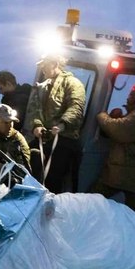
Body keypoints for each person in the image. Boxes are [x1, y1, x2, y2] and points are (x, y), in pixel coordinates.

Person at [92, 80, 135, 212]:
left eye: (133, 94)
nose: (129, 97)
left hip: (134, 179)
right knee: (94, 200)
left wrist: (102, 115)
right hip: (128, 176)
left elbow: (118, 130)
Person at [25, 55, 85, 193]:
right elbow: (35, 108)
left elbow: (76, 106)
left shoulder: (73, 83)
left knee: (54, 179)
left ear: (54, 64)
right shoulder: (42, 86)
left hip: (64, 139)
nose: (42, 68)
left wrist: (63, 124)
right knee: (29, 169)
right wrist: (36, 125)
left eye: (44, 65)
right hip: (43, 139)